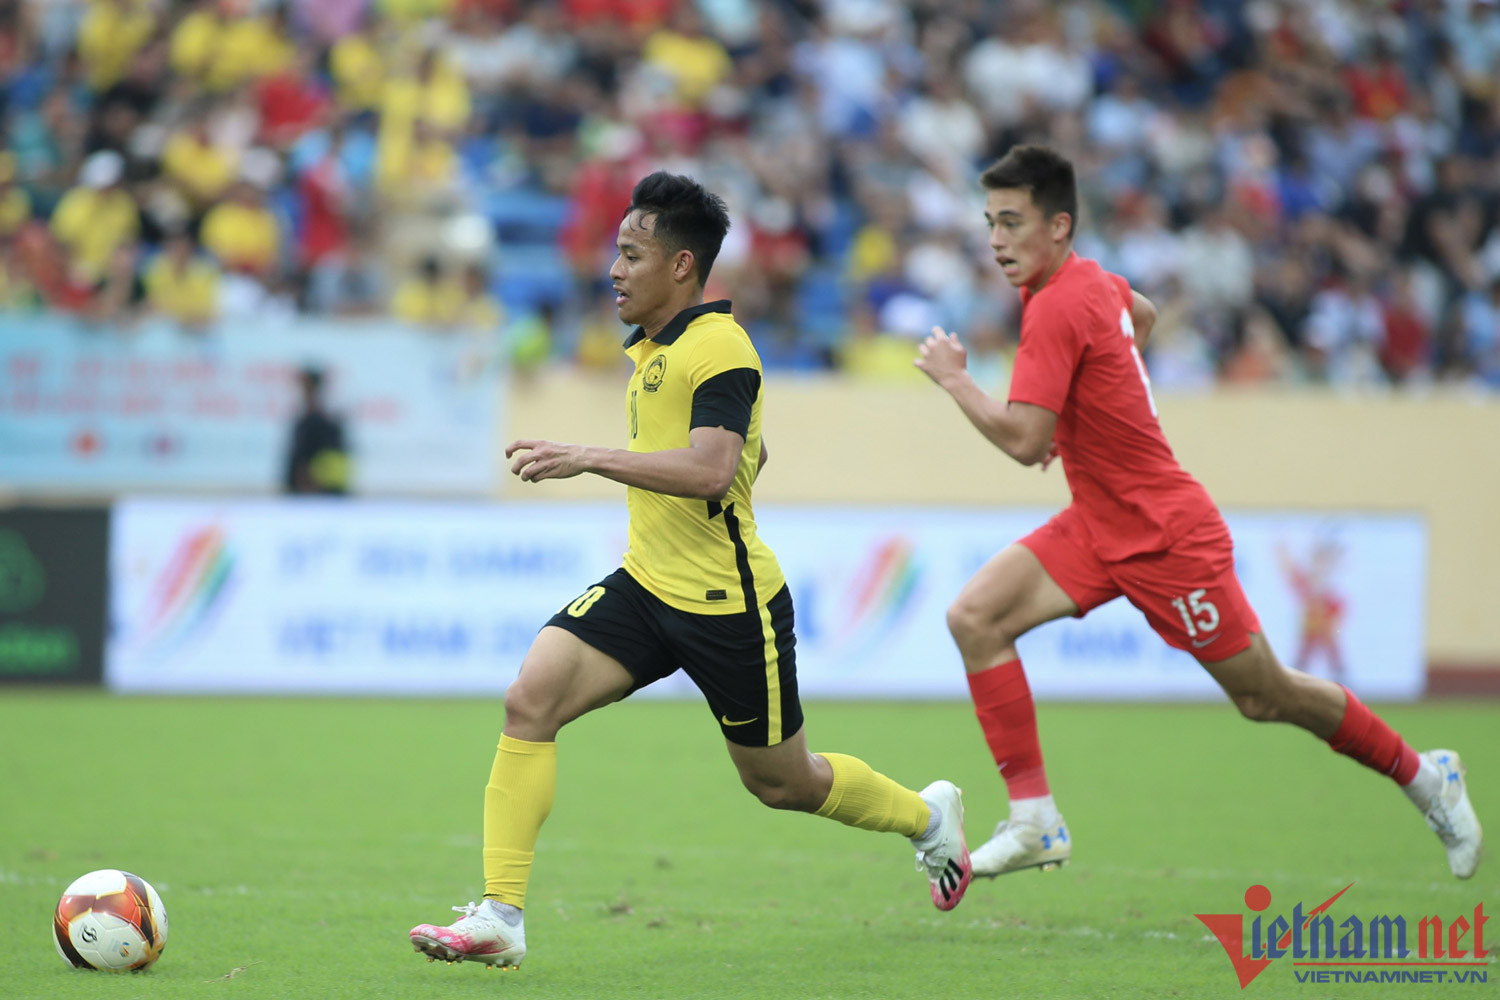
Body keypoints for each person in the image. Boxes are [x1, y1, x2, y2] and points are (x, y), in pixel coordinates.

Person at [408, 171, 973, 971]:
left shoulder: (719, 347)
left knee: (783, 783)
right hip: (647, 584)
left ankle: (928, 818)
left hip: (728, 604)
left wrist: (588, 456)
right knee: (529, 699)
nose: (614, 270)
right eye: (615, 252)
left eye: (632, 255)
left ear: (681, 266)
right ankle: (501, 915)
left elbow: (713, 470)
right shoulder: (655, 348)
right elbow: (748, 455)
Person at [913, 145, 1482, 883]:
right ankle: (1033, 821)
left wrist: (957, 381)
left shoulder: (1055, 302)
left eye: (1011, 222)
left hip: (1164, 536)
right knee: (976, 618)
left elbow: (1024, 442)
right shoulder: (1088, 281)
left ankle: (1428, 778)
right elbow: (1140, 315)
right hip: (1099, 521)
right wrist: (1081, 415)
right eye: (990, 222)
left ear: (1058, 226)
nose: (995, 240)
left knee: (1266, 695)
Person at [282, 367, 350, 495]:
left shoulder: (327, 423)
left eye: (305, 387)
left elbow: (333, 461)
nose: (301, 391)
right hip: (301, 495)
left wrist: (312, 485)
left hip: (319, 496)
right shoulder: (303, 420)